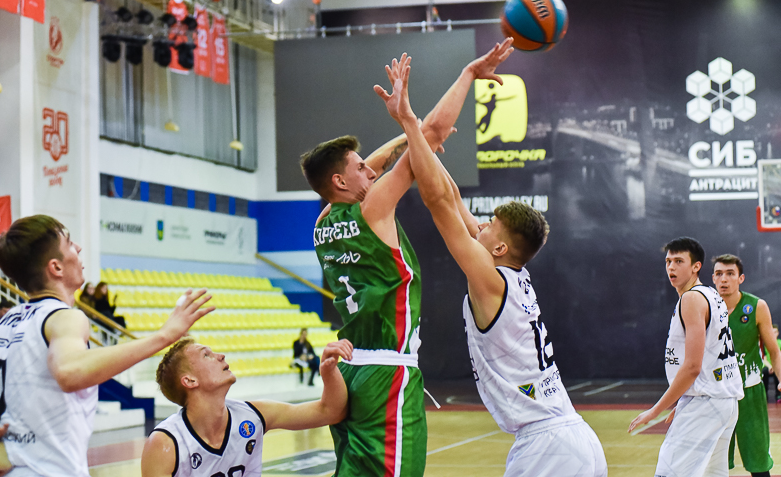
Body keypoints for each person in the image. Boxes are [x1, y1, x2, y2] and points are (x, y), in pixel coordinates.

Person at [376, 58, 606, 476]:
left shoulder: (491, 280)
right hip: (572, 439)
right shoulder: (511, 274)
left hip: (548, 447)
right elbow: (452, 198)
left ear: (499, 246)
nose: (478, 225)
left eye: (488, 225)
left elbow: (439, 203)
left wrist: (409, 121)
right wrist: (425, 140)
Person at [299, 38, 514, 477]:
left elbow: (394, 154)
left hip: (352, 370)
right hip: (387, 375)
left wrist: (413, 137)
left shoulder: (322, 222)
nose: (370, 170)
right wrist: (468, 75)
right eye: (361, 168)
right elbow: (430, 134)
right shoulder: (372, 209)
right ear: (340, 181)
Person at [0, 214, 215, 476]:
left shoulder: (1, 326)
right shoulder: (64, 318)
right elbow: (70, 372)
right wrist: (164, 336)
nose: (79, 248)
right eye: (70, 243)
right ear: (56, 267)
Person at [142, 337, 353, 476]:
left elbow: (330, 411)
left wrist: (329, 372)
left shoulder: (253, 414)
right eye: (206, 355)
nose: (220, 356)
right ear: (189, 381)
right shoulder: (165, 443)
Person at [629, 237, 743, 477]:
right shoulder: (711, 294)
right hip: (724, 401)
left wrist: (655, 410)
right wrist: (684, 400)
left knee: (668, 473)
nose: (671, 267)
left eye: (679, 261)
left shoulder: (691, 299)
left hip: (706, 402)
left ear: (696, 266)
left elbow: (692, 366)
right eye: (668, 261)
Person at [713, 254, 780, 477]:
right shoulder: (705, 308)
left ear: (741, 278)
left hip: (749, 392)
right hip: (717, 395)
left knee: (759, 464)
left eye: (730, 274)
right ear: (713, 278)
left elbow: (774, 351)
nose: (724, 279)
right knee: (715, 466)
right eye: (719, 274)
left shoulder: (757, 306)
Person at [762, 324, 781, 402]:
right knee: (764, 372)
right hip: (768, 366)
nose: (773, 334)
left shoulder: (780, 343)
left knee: (778, 371)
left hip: (777, 366)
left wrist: (776, 366)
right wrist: (770, 366)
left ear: (778, 333)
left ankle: (778, 396)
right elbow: (764, 358)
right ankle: (764, 396)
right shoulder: (765, 343)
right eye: (772, 332)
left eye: (775, 332)